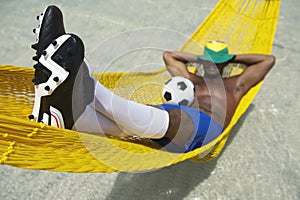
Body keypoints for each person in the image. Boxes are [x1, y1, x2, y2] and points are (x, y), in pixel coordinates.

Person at [29, 6, 276, 153]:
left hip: (206, 127)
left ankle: (84, 84)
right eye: (209, 60)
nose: (211, 64)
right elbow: (169, 56)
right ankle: (70, 116)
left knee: (174, 118)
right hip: (168, 119)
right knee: (130, 123)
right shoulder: (191, 77)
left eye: (215, 62)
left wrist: (229, 59)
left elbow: (267, 60)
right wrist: (201, 59)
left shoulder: (233, 85)